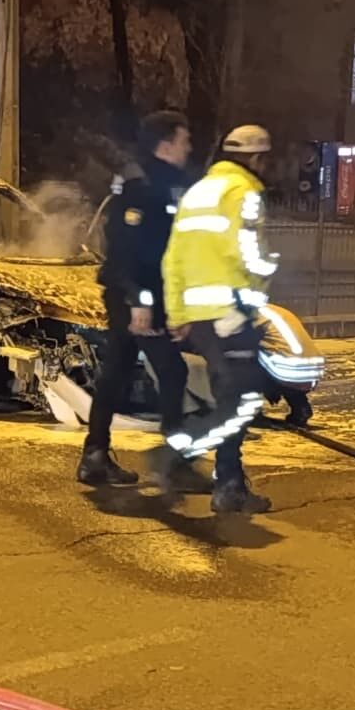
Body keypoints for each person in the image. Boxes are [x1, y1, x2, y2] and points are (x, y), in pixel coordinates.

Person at [156, 125, 280, 514]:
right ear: (257, 159)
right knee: (241, 402)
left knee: (232, 398)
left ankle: (228, 485)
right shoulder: (245, 194)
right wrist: (264, 281)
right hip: (231, 312)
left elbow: (172, 258)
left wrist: (177, 313)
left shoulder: (197, 192)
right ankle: (179, 454)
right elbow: (249, 254)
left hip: (199, 317)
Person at [77, 111, 195, 487]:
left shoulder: (166, 182)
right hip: (133, 297)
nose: (188, 147)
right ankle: (174, 463)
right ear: (166, 144)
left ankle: (95, 455)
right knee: (173, 371)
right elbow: (125, 252)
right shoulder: (141, 185)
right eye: (183, 140)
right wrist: (140, 301)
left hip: (143, 297)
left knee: (117, 373)